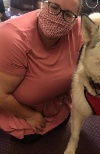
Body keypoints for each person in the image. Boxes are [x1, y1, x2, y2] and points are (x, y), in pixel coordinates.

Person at [0, 0, 83, 142]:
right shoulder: (12, 37)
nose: (58, 18)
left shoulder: (78, 28)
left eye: (68, 15)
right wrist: (29, 115)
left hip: (59, 107)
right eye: (54, 7)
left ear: (76, 18)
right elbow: (1, 93)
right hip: (20, 113)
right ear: (43, 4)